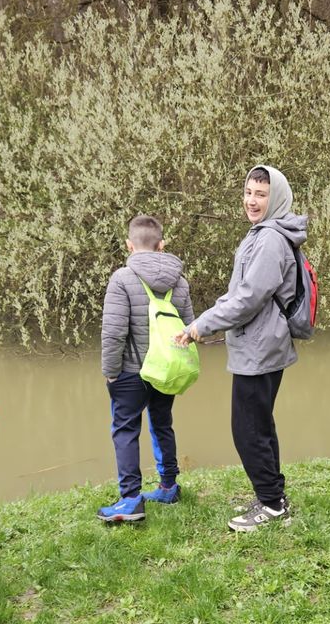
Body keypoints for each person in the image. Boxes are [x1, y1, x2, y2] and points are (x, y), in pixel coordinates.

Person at [176, 165, 307, 532]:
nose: (251, 200)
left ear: (276, 197)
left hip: (260, 348)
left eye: (260, 194)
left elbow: (248, 300)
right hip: (260, 344)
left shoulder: (269, 240)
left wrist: (202, 325)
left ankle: (270, 505)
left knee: (247, 428)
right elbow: (238, 293)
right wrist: (207, 319)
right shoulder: (265, 233)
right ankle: (273, 497)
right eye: (248, 192)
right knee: (259, 424)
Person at [97, 214, 195, 523]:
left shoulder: (122, 279)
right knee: (162, 423)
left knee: (126, 429)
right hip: (166, 369)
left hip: (130, 371)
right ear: (162, 245)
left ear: (129, 245)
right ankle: (168, 485)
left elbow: (113, 333)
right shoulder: (179, 282)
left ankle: (130, 500)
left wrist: (110, 372)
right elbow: (189, 328)